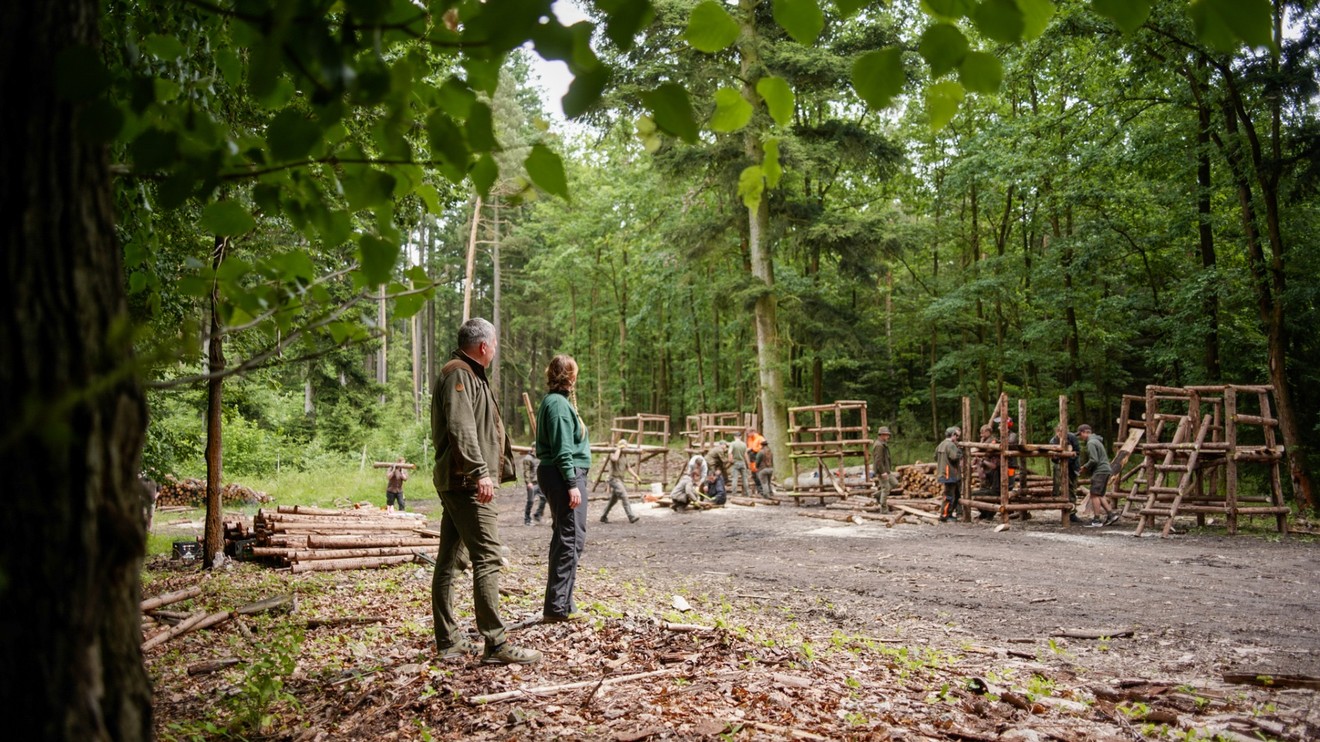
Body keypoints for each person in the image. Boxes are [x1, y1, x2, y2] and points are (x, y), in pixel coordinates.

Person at [430, 318, 539, 665]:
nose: (494, 350)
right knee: (488, 557)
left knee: (449, 560)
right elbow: (462, 427)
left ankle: (448, 641)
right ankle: (496, 643)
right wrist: (480, 472)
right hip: (466, 481)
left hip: (461, 480)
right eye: (494, 344)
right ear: (483, 346)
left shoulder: (469, 374)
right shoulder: (459, 374)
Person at [535, 354, 592, 622]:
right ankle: (556, 608)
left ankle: (563, 604)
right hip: (563, 475)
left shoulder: (559, 402)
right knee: (570, 539)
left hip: (562, 474)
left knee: (568, 538)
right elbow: (562, 448)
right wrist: (571, 483)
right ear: (569, 376)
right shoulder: (557, 405)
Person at [1077, 424, 1117, 527]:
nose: (1081, 438)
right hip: (1105, 470)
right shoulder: (1097, 441)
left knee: (1094, 494)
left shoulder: (1091, 442)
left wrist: (1084, 467)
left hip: (1100, 471)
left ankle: (1096, 519)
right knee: (1100, 495)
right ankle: (1111, 515)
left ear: (1084, 432)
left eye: (1080, 435)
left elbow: (1094, 460)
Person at [1050, 425, 1084, 524]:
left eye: (1063, 432)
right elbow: (1053, 457)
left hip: (1072, 466)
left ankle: (1072, 512)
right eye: (1059, 432)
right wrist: (1059, 459)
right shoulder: (1053, 441)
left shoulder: (1072, 437)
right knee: (1060, 487)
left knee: (1071, 489)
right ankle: (1062, 507)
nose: (1060, 434)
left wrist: (1068, 459)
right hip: (1059, 467)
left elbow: (1077, 452)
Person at [601, 438, 640, 524]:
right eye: (624, 447)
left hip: (620, 480)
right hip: (613, 479)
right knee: (624, 496)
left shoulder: (625, 456)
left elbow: (628, 468)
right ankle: (631, 516)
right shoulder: (613, 453)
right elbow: (614, 459)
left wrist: (636, 476)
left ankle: (603, 516)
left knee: (613, 501)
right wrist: (618, 449)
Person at [936, 426, 963, 522]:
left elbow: (935, 456)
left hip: (943, 473)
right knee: (949, 496)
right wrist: (960, 451)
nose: (957, 438)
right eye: (956, 436)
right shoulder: (950, 445)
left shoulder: (941, 444)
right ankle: (945, 515)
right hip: (949, 474)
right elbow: (955, 457)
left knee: (950, 495)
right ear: (953, 435)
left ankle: (948, 513)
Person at [870, 426, 899, 511]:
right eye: (886, 435)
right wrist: (882, 472)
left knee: (895, 483)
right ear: (882, 435)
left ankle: (878, 495)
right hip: (882, 470)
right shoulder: (879, 445)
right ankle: (884, 510)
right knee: (886, 488)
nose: (888, 437)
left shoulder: (882, 444)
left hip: (886, 470)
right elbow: (878, 460)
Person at [522, 450, 546, 526]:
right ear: (532, 449)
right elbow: (526, 471)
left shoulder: (540, 457)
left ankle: (537, 514)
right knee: (530, 501)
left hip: (540, 482)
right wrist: (528, 482)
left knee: (544, 499)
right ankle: (527, 519)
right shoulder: (528, 458)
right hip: (532, 483)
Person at [702, 441, 729, 505]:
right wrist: (730, 459)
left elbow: (720, 461)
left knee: (712, 476)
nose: (726, 447)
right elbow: (723, 460)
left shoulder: (716, 448)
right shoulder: (720, 450)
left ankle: (713, 491)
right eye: (725, 445)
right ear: (722, 445)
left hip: (709, 461)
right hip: (710, 462)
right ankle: (709, 490)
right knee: (712, 476)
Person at [728, 431, 751, 499]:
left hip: (736, 462)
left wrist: (730, 460)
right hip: (742, 462)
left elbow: (730, 453)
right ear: (740, 437)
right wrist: (748, 464)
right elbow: (746, 455)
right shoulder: (744, 444)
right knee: (745, 478)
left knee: (735, 478)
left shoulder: (733, 444)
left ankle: (734, 493)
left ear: (734, 437)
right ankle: (747, 493)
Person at [746, 430, 766, 495]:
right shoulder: (750, 439)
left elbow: (763, 448)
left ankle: (762, 490)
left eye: (748, 433)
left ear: (752, 432)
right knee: (754, 476)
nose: (747, 435)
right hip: (752, 459)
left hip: (757, 458)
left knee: (759, 475)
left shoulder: (760, 438)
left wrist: (752, 449)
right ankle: (759, 490)